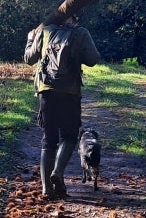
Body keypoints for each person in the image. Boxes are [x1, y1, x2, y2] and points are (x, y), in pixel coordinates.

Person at [23, 11, 100, 199]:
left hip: (46, 90)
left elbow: (29, 59)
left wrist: (30, 40)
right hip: (70, 92)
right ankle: (57, 172)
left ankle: (46, 189)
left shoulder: (45, 31)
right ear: (73, 16)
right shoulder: (81, 33)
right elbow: (93, 59)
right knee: (69, 136)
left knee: (48, 140)